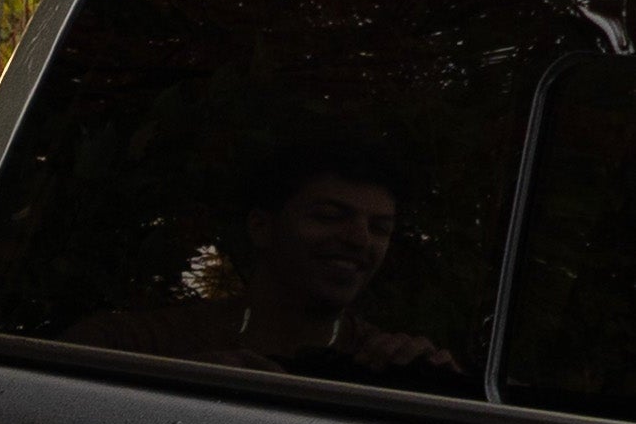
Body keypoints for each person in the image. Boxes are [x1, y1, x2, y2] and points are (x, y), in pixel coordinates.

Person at [66, 139, 458, 380]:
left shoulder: (386, 365)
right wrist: (176, 385)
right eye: (329, 216)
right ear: (261, 227)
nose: (358, 239)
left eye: (380, 228)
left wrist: (436, 381)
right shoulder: (139, 345)